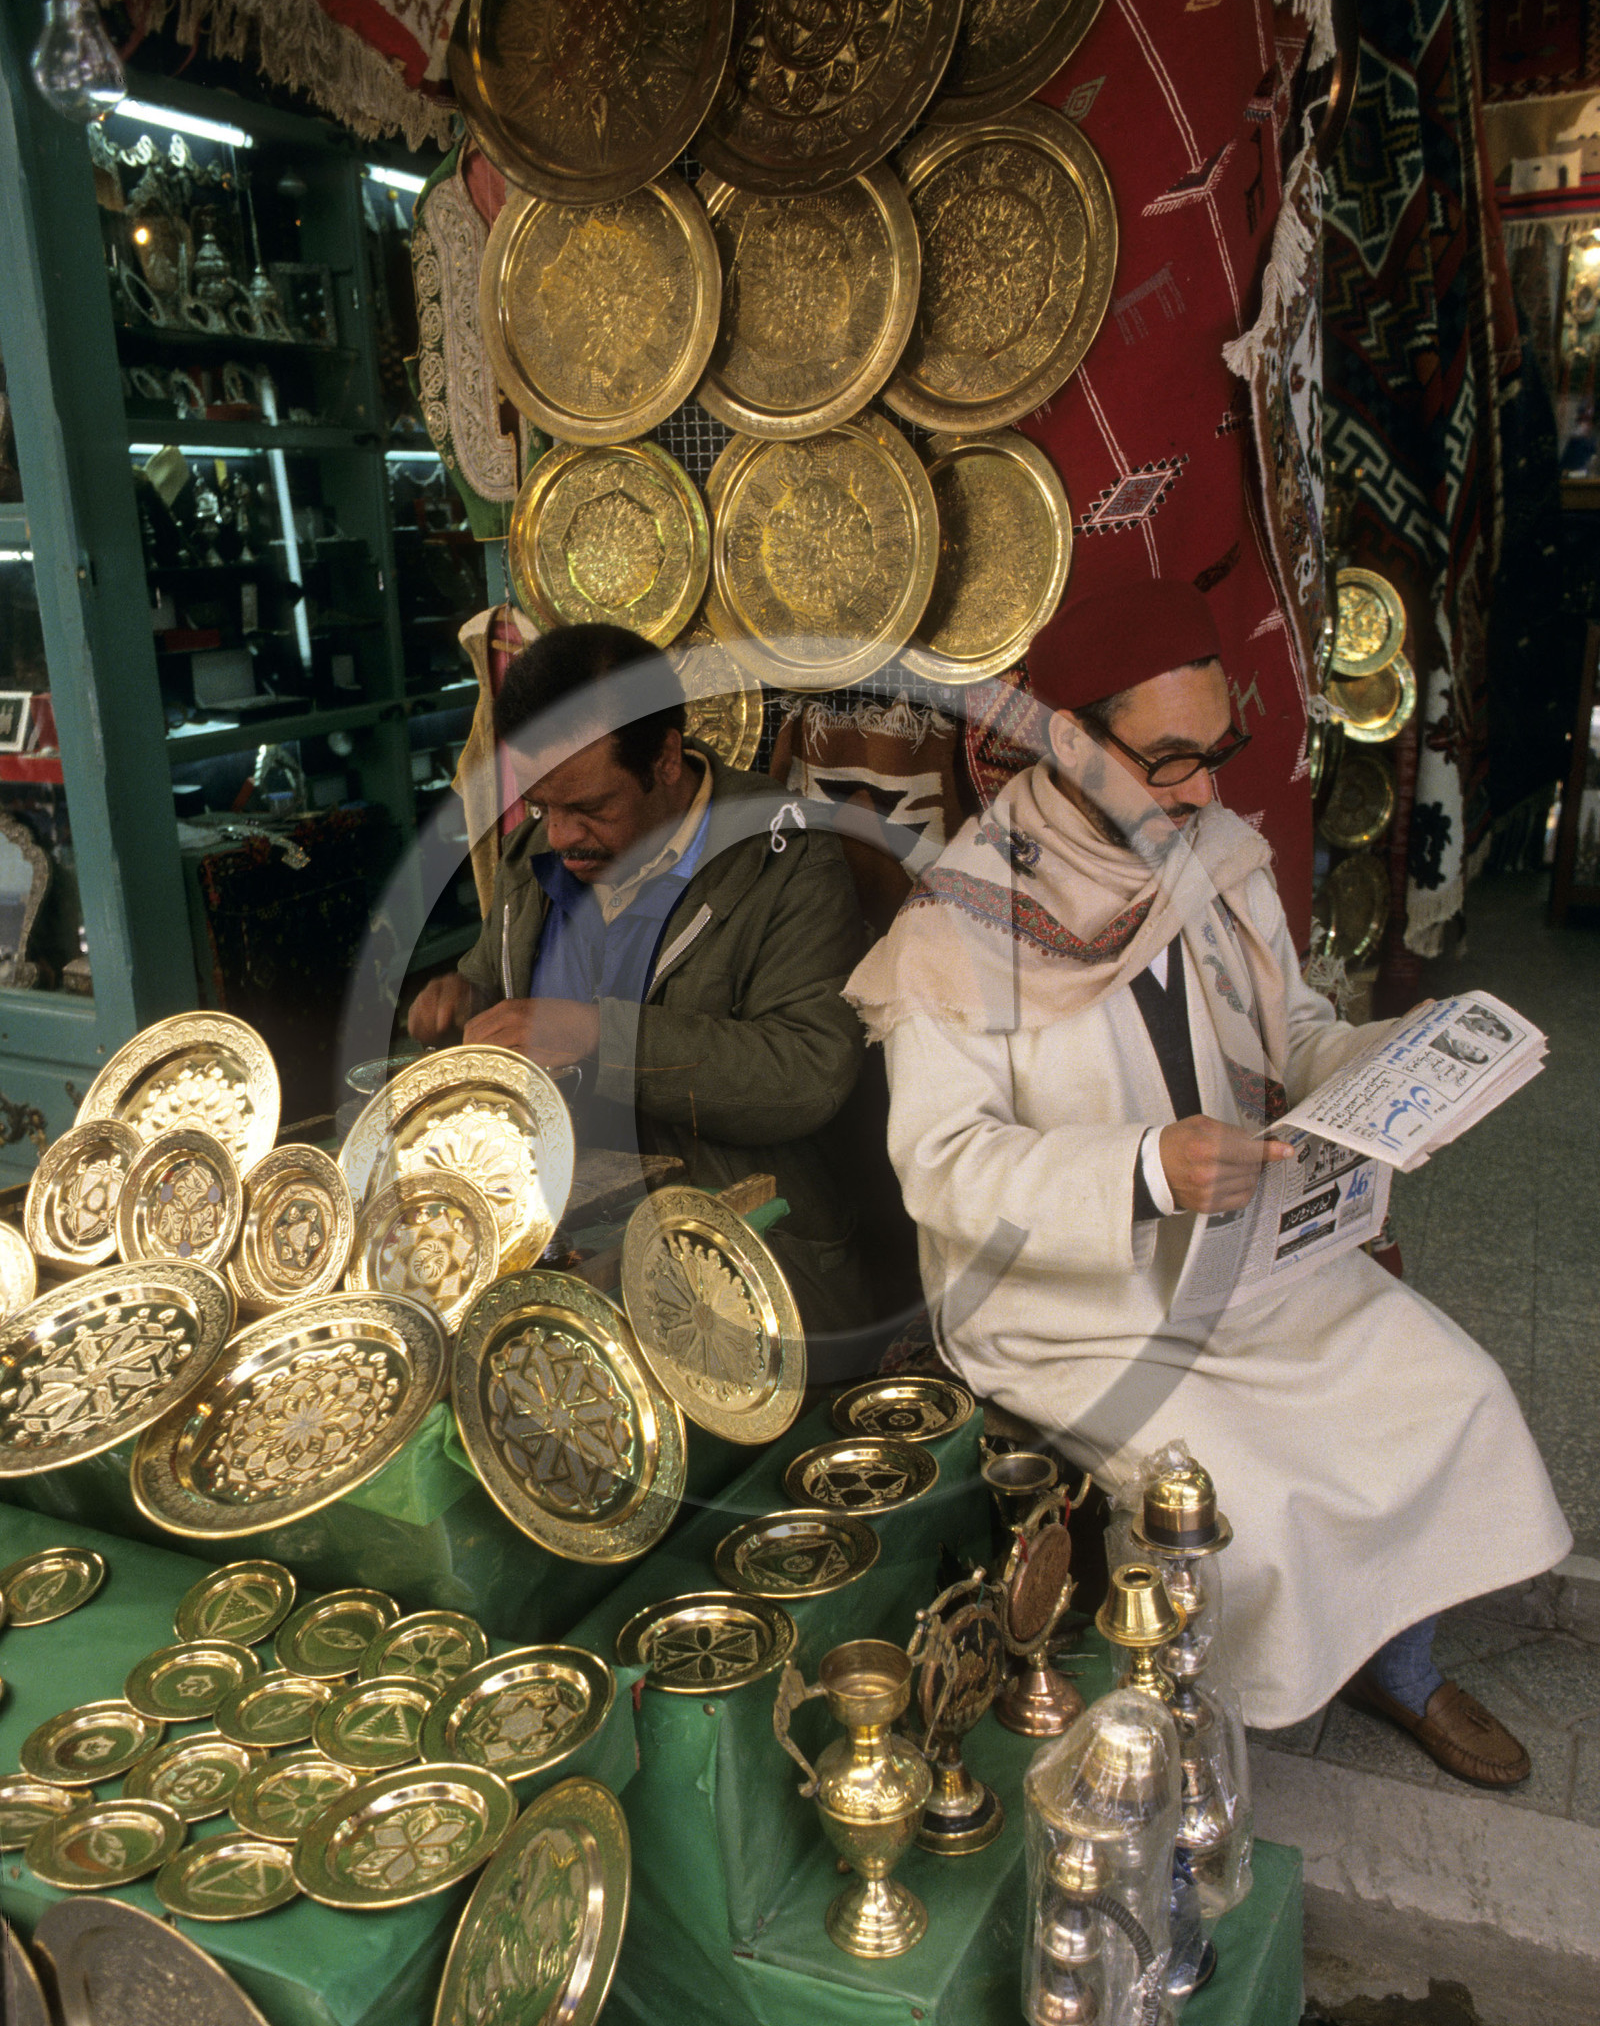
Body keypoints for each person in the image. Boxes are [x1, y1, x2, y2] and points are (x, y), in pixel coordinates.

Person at [846, 579, 1571, 1782]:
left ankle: (1401, 1669)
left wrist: (1376, 1059)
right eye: (1166, 760)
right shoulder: (956, 925)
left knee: (1449, 1390)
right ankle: (1196, 1757)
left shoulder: (1215, 859)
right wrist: (1142, 1166)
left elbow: (1288, 1026)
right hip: (1079, 1310)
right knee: (1254, 1501)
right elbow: (942, 1165)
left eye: (1215, 755)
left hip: (1243, 1261)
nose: (1199, 792)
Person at [409, 623, 870, 1335]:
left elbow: (810, 1074)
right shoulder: (538, 849)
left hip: (739, 1261)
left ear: (664, 757)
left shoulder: (786, 858)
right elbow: (498, 981)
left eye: (591, 808)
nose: (559, 835)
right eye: (541, 805)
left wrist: (598, 1034)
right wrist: (465, 996)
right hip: (563, 1243)